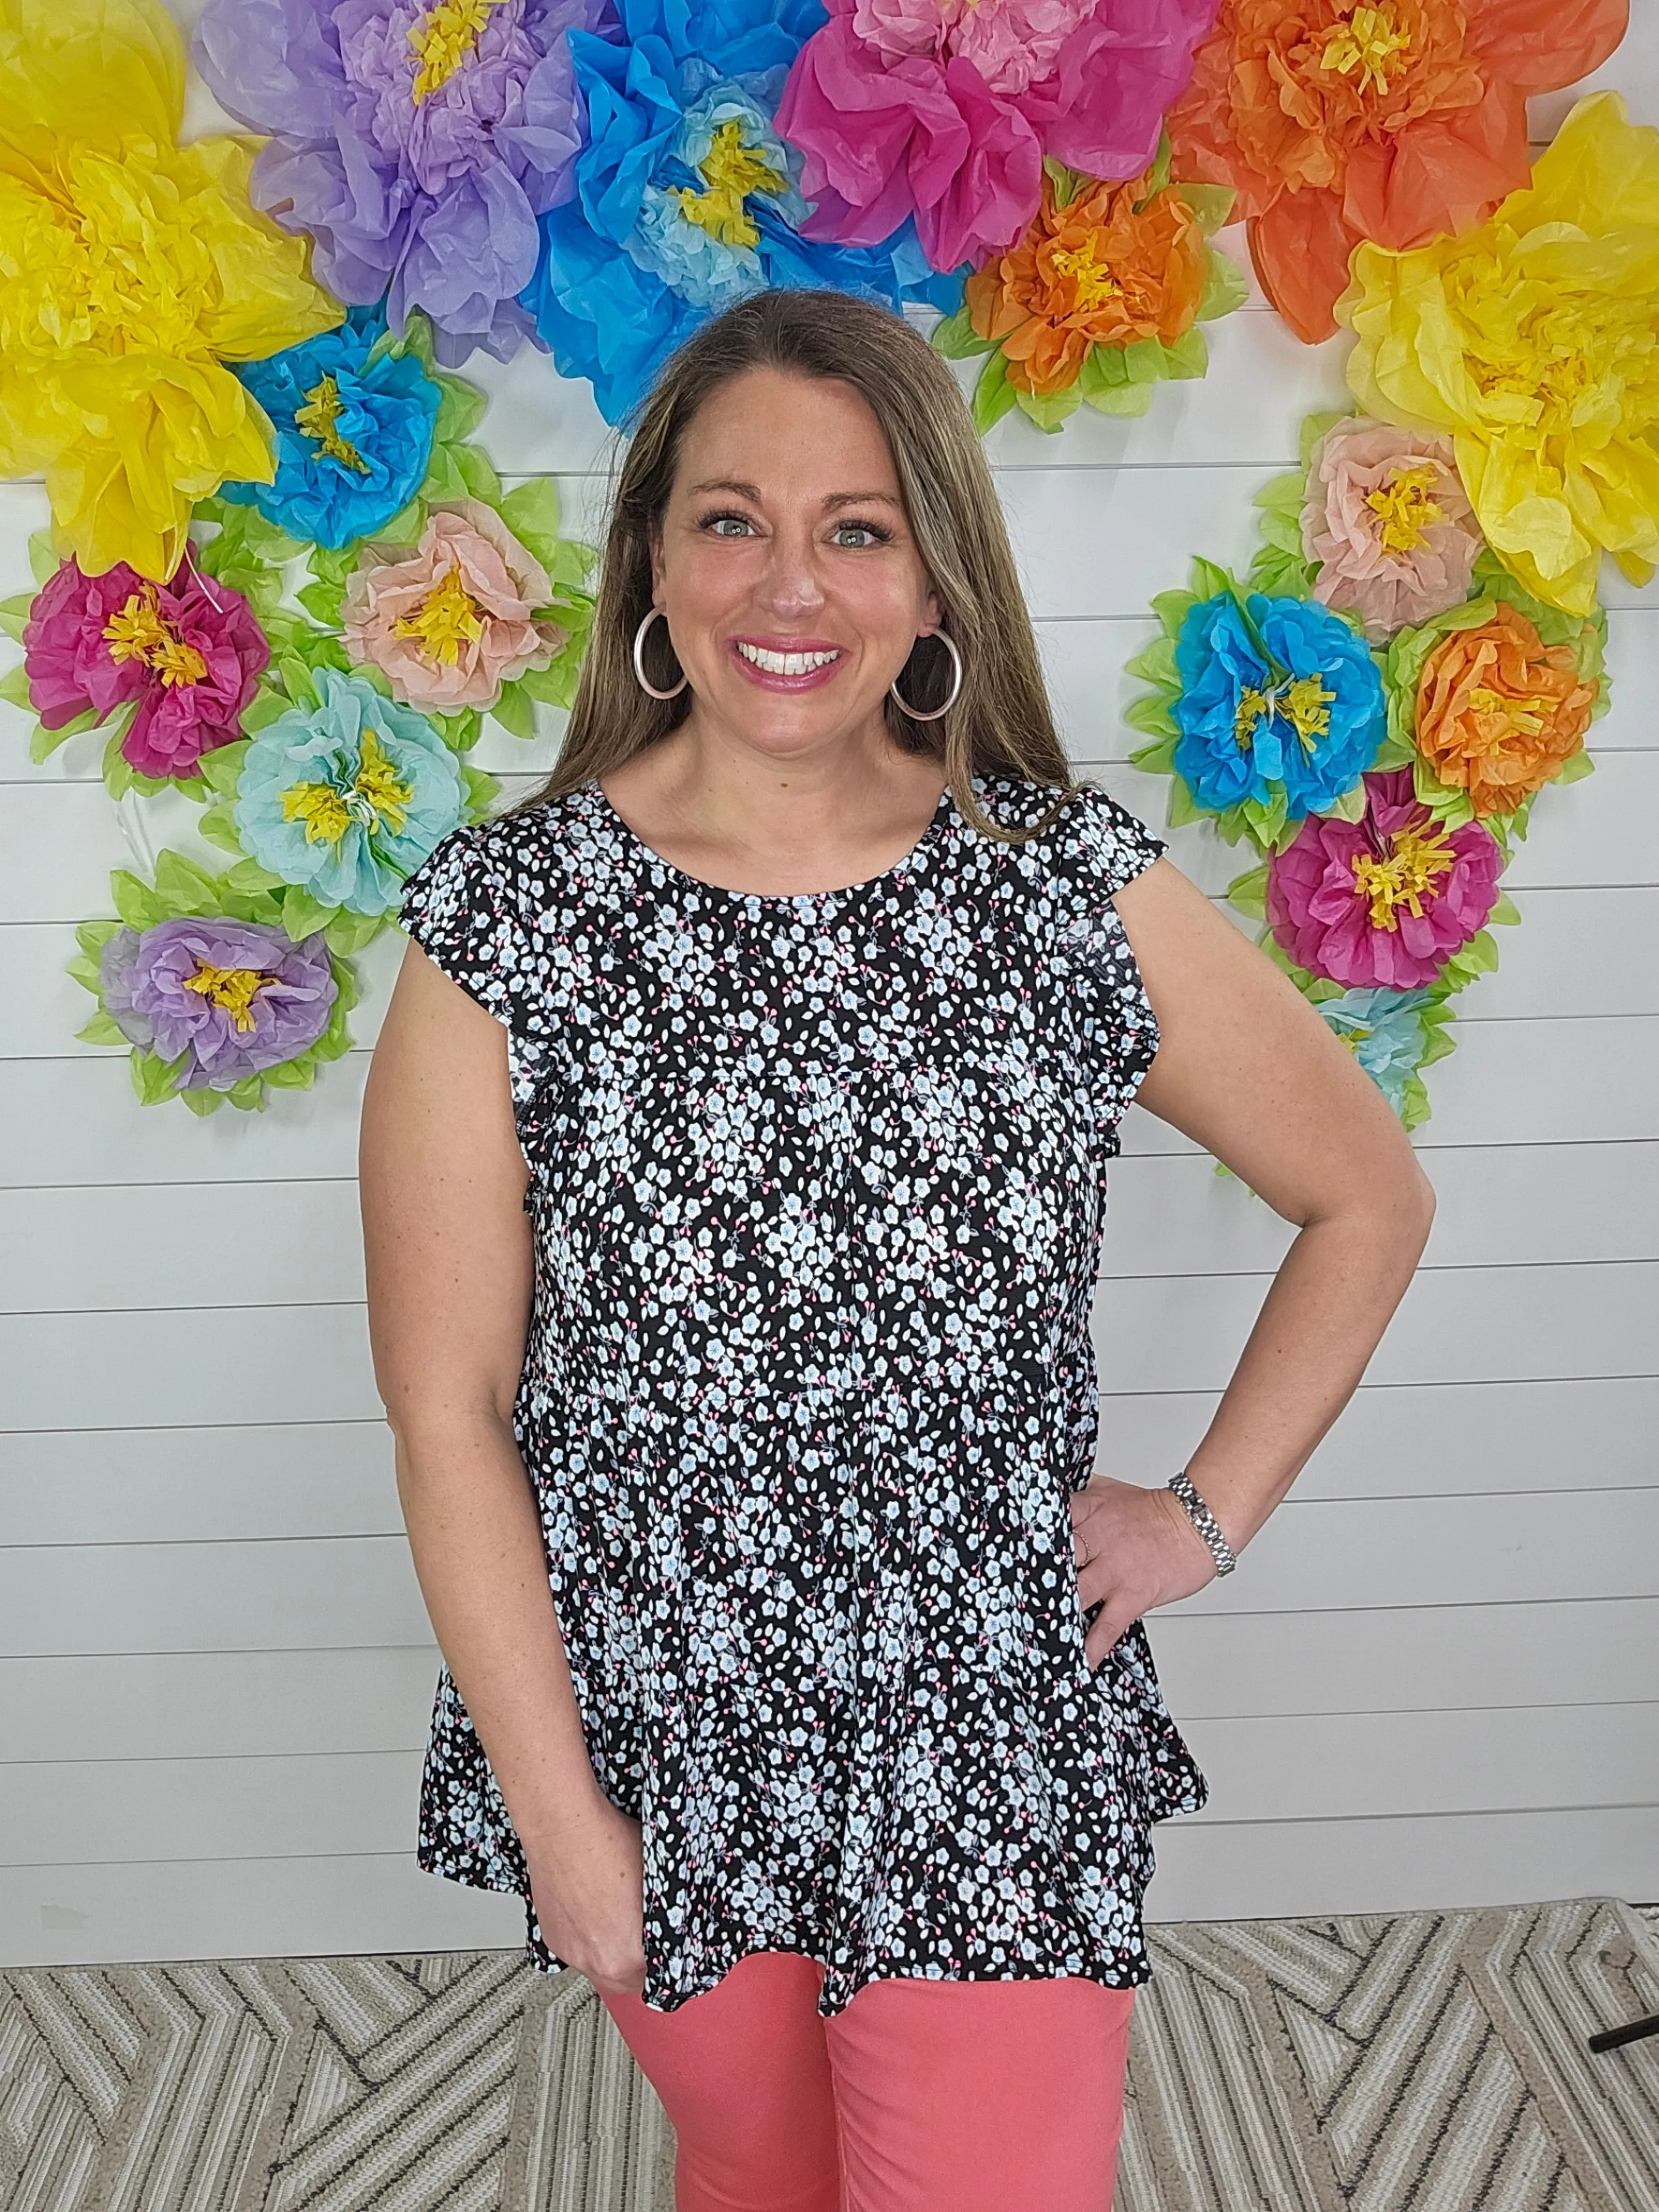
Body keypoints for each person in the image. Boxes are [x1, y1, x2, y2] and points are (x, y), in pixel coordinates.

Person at [360, 288, 1436, 2211]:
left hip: (985, 1714)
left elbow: (1367, 1196)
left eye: (858, 527)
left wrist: (1202, 1515)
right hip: (660, 1710)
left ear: (935, 585)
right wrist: (557, 1810)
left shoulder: (1056, 886)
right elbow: (449, 1412)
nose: (795, 581)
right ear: (652, 567)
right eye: (732, 519)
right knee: (758, 2181)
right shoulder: (505, 921)